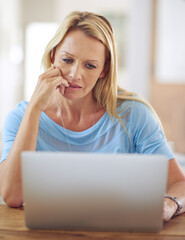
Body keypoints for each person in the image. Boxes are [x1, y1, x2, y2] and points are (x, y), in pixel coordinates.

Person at [0, 11, 185, 222]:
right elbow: (12, 196)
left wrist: (170, 204)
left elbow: (180, 185)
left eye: (90, 65)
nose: (74, 75)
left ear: (104, 70)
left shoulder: (134, 115)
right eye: (67, 60)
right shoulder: (20, 117)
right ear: (53, 57)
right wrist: (34, 108)